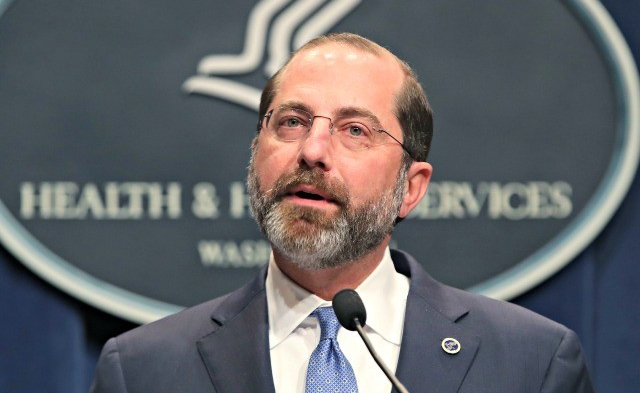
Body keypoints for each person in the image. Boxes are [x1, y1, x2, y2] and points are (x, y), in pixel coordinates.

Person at [91, 33, 594, 392]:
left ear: (410, 189)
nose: (313, 149)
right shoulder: (143, 371)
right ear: (256, 152)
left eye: (355, 130)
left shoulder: (532, 364)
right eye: (291, 121)